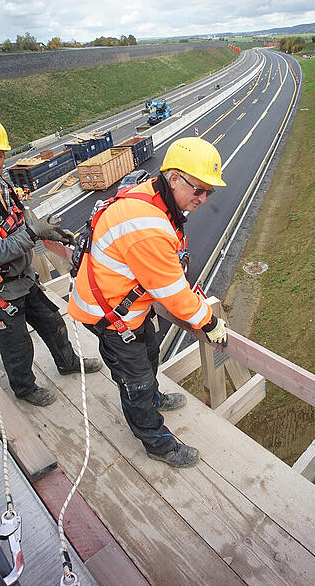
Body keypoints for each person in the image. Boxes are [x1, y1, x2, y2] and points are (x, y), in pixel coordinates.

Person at [67, 137, 228, 467]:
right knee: (135, 380)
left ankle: (151, 396)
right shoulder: (147, 226)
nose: (203, 198)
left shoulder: (152, 196)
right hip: (109, 315)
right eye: (198, 189)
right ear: (173, 178)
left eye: (209, 192)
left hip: (125, 305)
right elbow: (175, 295)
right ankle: (158, 443)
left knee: (150, 351)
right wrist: (210, 323)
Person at [0, 115, 101, 407]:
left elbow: (20, 221)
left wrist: (51, 232)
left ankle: (67, 361)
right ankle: (24, 388)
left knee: (52, 321)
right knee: (17, 346)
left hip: (23, 279)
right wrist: (34, 231)